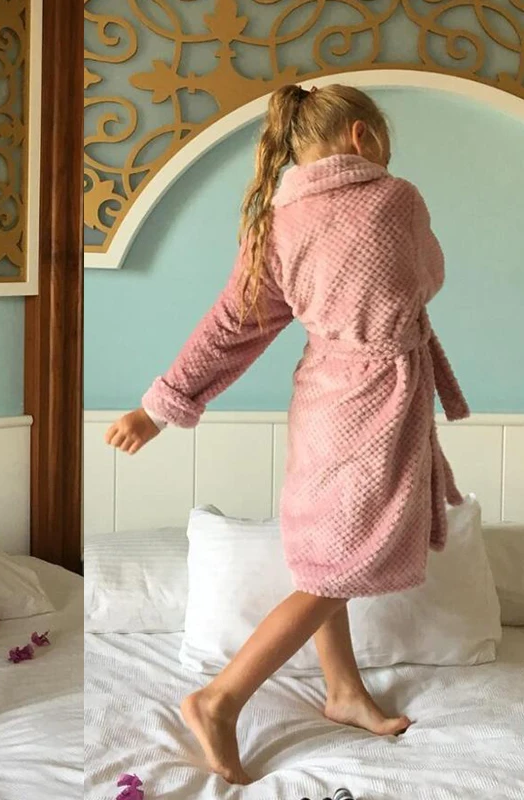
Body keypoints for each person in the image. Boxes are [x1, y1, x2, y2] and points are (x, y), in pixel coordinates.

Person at [105, 83, 468, 785]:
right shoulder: (396, 198)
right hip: (377, 401)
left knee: (326, 553)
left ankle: (343, 690)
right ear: (362, 137)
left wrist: (158, 407)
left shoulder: (277, 222)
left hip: (322, 396)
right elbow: (429, 275)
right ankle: (219, 698)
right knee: (346, 560)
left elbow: (231, 328)